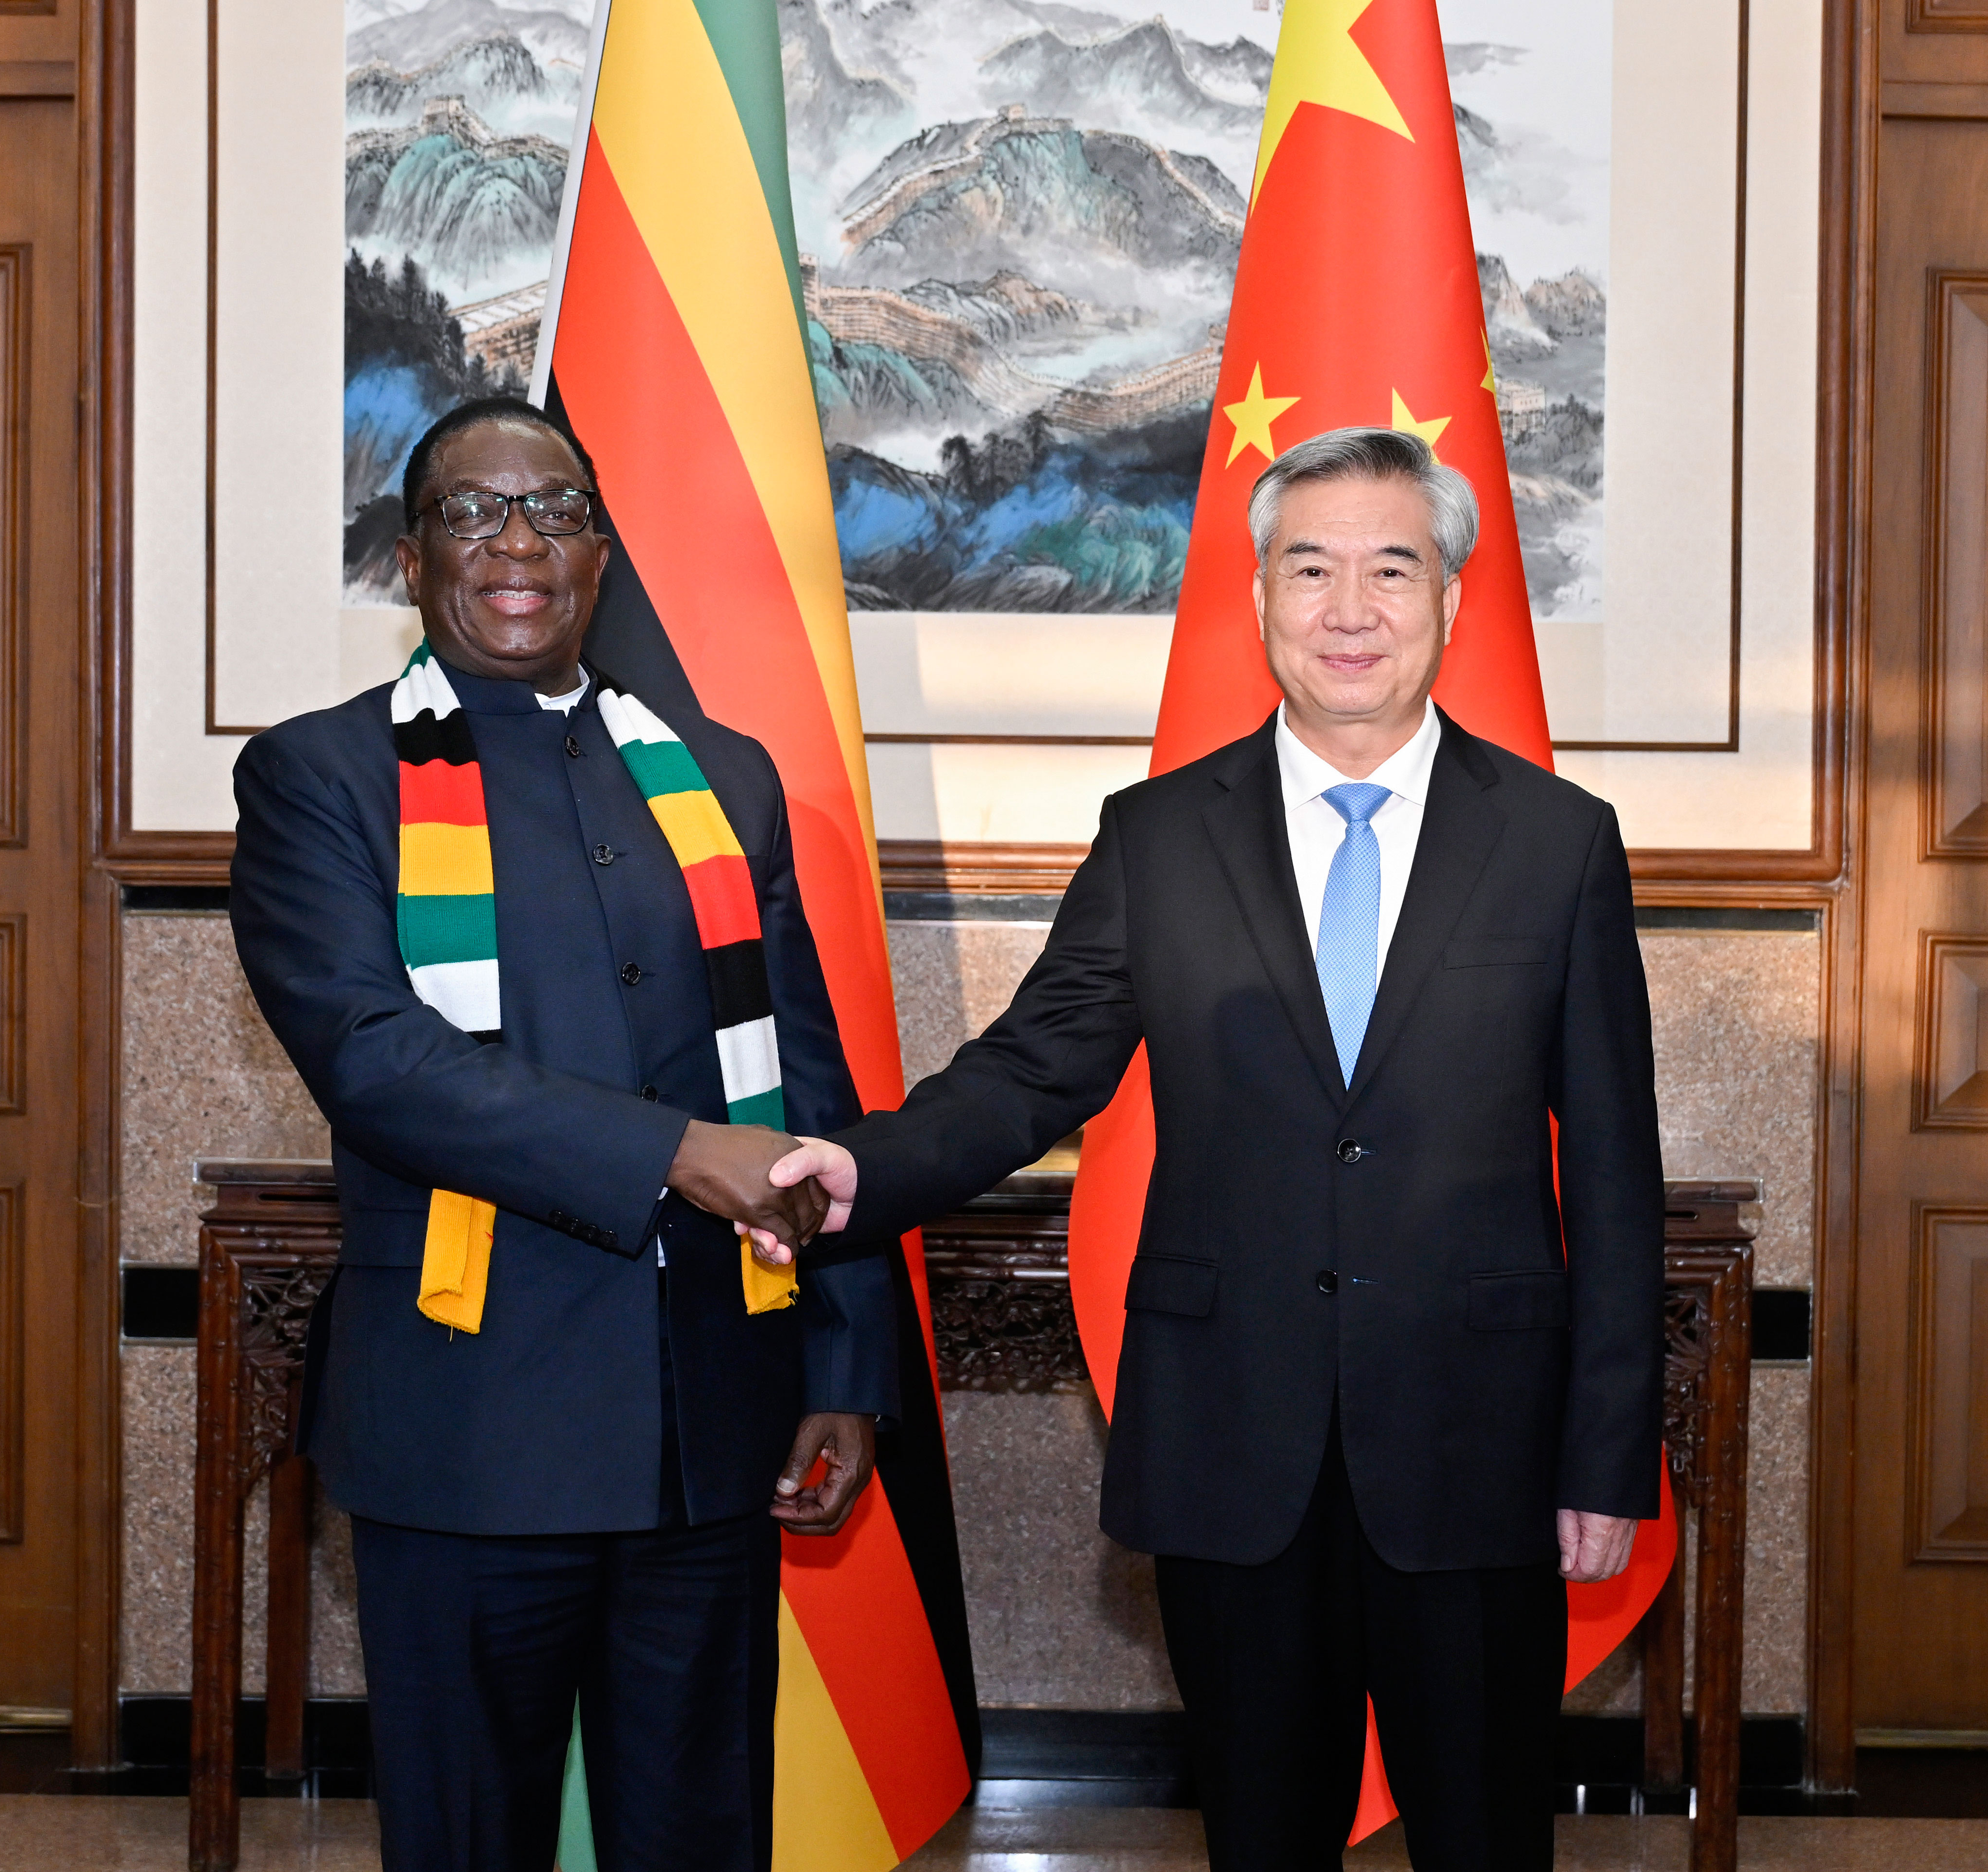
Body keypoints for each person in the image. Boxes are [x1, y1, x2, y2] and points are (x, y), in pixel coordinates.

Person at [764, 427, 1664, 1872]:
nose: (1350, 610)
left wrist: (1607, 1455)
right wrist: (865, 1169)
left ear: (1449, 598)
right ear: (1259, 599)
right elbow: (1032, 1069)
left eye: (1391, 570)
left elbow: (1617, 1171)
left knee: (1488, 1840)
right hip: (1234, 1439)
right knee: (1259, 1838)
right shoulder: (1162, 836)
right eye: (1311, 570)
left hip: (1479, 1445)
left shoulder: (1559, 843)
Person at [228, 396, 895, 1872]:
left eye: (555, 510)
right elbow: (379, 1063)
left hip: (709, 1429)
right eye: (472, 511)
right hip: (472, 1428)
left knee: (701, 1839)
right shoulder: (321, 778)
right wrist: (675, 1152)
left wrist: (841, 1367)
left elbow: (808, 1086)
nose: (517, 540)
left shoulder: (722, 773)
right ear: (412, 559)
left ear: (601, 553)